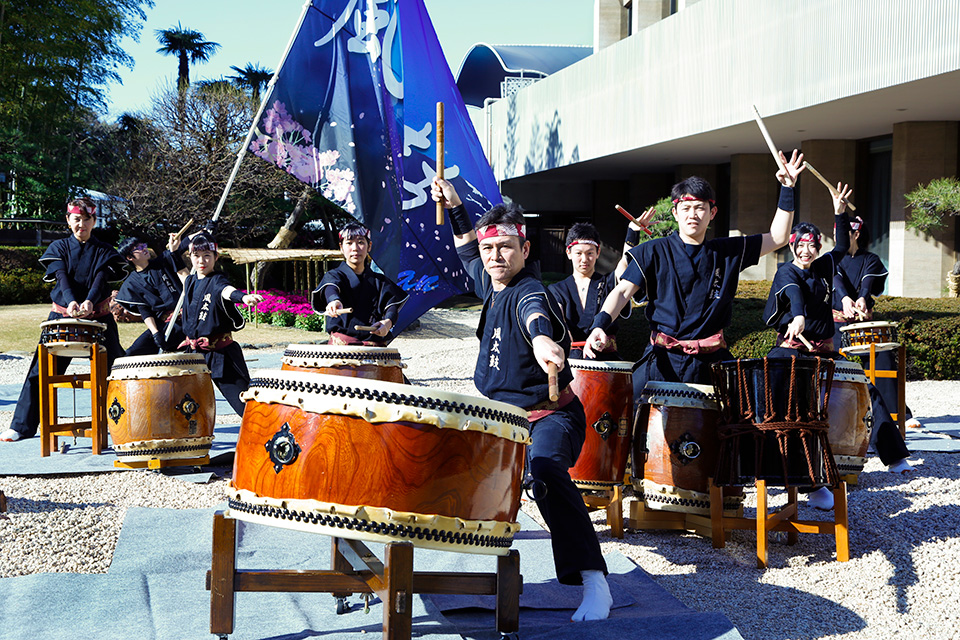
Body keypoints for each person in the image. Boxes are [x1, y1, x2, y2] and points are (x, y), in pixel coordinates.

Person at [432, 176, 612, 622]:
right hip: (502, 421)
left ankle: (594, 580)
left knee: (546, 472)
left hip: (550, 417)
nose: (496, 257)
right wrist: (455, 204)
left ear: (525, 251)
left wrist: (542, 342)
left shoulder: (531, 291)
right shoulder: (487, 278)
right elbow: (466, 247)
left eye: (506, 248)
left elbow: (535, 317)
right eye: (491, 249)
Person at [583, 151, 806, 407]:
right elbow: (623, 292)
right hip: (662, 359)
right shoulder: (652, 251)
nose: (693, 214)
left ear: (712, 213)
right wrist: (599, 324)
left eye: (700, 208)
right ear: (675, 213)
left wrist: (787, 188)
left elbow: (778, 238)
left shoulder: (728, 252)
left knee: (740, 427)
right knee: (626, 419)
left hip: (712, 363)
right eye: (685, 208)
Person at [763, 186, 913, 509]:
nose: (806, 251)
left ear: (817, 248)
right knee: (791, 407)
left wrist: (838, 211)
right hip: (793, 351)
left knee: (864, 391)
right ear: (792, 247)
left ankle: (895, 455)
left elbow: (843, 245)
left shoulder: (825, 267)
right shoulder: (786, 270)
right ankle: (808, 482)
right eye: (800, 245)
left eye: (812, 246)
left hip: (824, 351)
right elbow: (794, 295)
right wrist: (799, 316)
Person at [2, 198, 128, 442]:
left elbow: (101, 278)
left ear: (94, 221)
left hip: (98, 319)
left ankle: (126, 424)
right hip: (61, 319)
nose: (82, 224)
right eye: (77, 219)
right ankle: (21, 426)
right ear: (68, 220)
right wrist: (71, 302)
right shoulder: (58, 247)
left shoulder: (103, 250)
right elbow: (61, 277)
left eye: (87, 219)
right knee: (39, 372)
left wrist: (90, 301)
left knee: (118, 370)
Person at [832, 216, 921, 429]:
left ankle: (898, 414)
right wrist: (845, 298)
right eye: (836, 233)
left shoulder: (870, 259)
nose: (839, 237)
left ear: (856, 234)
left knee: (882, 357)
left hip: (864, 326)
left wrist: (862, 297)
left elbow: (868, 281)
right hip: (835, 325)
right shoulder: (830, 259)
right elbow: (835, 281)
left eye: (844, 233)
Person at [176, 232, 262, 417]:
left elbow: (226, 291)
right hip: (195, 355)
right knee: (189, 408)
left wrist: (243, 297)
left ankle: (264, 438)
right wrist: (179, 245)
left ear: (216, 257)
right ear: (190, 257)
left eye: (207, 255)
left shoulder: (217, 280)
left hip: (220, 354)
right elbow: (177, 266)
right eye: (197, 256)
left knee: (245, 404)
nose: (202, 261)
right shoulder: (190, 281)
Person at [548, 221, 644, 360]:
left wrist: (633, 232)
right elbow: (559, 323)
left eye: (590, 253)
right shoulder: (557, 290)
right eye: (579, 253)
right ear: (569, 253)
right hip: (572, 360)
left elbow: (626, 263)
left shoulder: (608, 283)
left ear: (598, 252)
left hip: (607, 360)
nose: (584, 259)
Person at [310, 222, 408, 346]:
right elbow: (331, 288)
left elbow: (391, 305)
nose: (355, 248)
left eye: (361, 242)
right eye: (349, 243)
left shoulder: (380, 281)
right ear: (341, 247)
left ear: (369, 246)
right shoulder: (334, 275)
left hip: (375, 346)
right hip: (342, 346)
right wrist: (334, 301)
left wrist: (388, 323)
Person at [115, 234, 188, 356]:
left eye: (143, 245)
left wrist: (205, 231)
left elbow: (183, 245)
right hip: (163, 324)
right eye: (137, 248)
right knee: (132, 353)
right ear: (129, 257)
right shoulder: (131, 283)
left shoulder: (162, 261)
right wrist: (155, 333)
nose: (144, 248)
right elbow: (145, 311)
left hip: (185, 318)